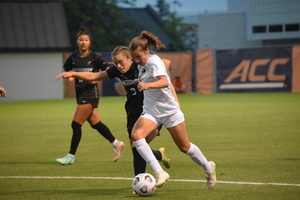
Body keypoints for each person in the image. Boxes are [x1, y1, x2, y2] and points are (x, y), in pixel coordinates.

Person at [55, 46, 172, 176]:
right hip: (132, 111)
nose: (118, 66)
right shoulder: (118, 71)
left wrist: (159, 74)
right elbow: (96, 75)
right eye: (115, 63)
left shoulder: (140, 66)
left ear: (130, 58)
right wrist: (73, 73)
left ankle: (139, 180)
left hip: (150, 110)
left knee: (138, 147)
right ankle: (158, 155)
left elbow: (166, 62)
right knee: (137, 148)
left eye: (121, 62)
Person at [128, 31, 216, 189]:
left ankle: (208, 167)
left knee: (185, 147)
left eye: (139, 57)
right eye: (134, 58)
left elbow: (163, 82)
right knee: (136, 137)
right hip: (151, 111)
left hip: (169, 112)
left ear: (147, 51)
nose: (137, 61)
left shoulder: (154, 62)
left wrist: (147, 85)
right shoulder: (143, 64)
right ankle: (159, 172)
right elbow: (165, 65)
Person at [55, 26, 125, 165]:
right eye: (81, 40)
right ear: (77, 42)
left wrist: (97, 78)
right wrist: (69, 76)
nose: (83, 42)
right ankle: (116, 143)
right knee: (96, 124)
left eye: (86, 40)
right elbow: (68, 71)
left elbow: (108, 71)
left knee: (75, 124)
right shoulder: (73, 57)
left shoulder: (95, 58)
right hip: (80, 93)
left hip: (90, 93)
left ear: (90, 42)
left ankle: (71, 156)